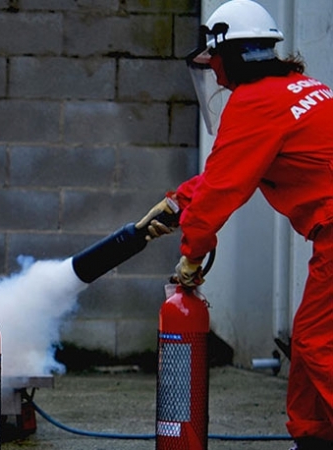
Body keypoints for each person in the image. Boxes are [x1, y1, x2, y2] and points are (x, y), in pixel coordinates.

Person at [137, 1, 333, 449]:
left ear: (233, 54)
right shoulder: (299, 88)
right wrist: (175, 204)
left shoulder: (254, 102)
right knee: (309, 342)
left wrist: (191, 255)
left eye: (216, 62)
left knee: (319, 344)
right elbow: (232, 169)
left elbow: (224, 190)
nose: (216, 75)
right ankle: (314, 437)